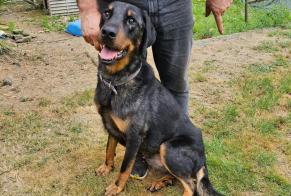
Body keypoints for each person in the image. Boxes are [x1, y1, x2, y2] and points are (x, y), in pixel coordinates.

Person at [77, 0, 232, 179]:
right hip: (127, 2)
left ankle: (173, 152)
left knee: (176, 85)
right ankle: (140, 153)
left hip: (176, 7)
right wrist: (88, 7)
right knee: (119, 109)